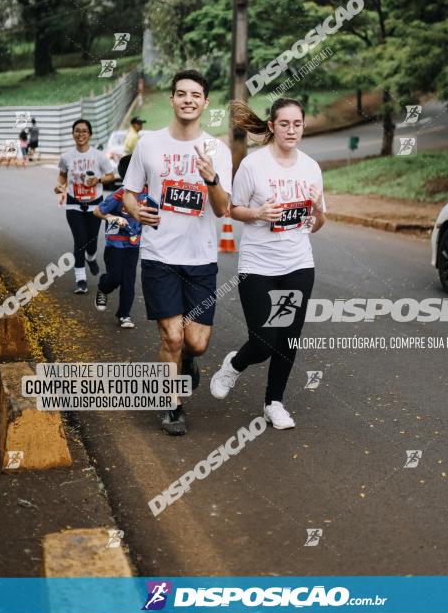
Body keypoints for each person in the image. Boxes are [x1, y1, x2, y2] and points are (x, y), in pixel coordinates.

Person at [123, 69, 232, 436]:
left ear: (205, 102)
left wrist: (211, 178)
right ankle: (172, 405)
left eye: (195, 94)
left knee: (195, 343)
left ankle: (187, 362)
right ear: (171, 99)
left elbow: (222, 209)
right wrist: (135, 210)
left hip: (200, 258)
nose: (188, 99)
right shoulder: (149, 144)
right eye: (181, 93)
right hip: (158, 256)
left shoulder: (218, 150)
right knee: (171, 336)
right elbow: (127, 192)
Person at [210, 97, 326, 430]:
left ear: (303, 126)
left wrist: (317, 210)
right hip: (259, 264)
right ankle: (234, 364)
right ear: (272, 127)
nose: (291, 130)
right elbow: (233, 209)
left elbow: (316, 225)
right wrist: (259, 213)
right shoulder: (253, 165)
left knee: (288, 337)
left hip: (298, 263)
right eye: (285, 124)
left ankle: (274, 403)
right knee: (263, 340)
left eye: (297, 124)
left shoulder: (311, 167)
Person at [54, 119, 114, 294]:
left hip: (95, 204)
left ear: (90, 134)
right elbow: (62, 176)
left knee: (92, 241)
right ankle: (80, 279)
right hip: (74, 204)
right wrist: (59, 186)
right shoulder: (66, 157)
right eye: (77, 131)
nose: (80, 134)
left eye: (84, 131)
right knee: (79, 241)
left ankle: (91, 257)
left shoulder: (99, 156)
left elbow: (111, 176)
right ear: (73, 134)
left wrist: (98, 180)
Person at [93, 155, 146, 329]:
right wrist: (113, 218)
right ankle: (103, 287)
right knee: (115, 278)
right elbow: (97, 211)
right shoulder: (120, 194)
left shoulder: (146, 194)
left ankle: (124, 315)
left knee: (128, 281)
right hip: (115, 245)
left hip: (133, 244)